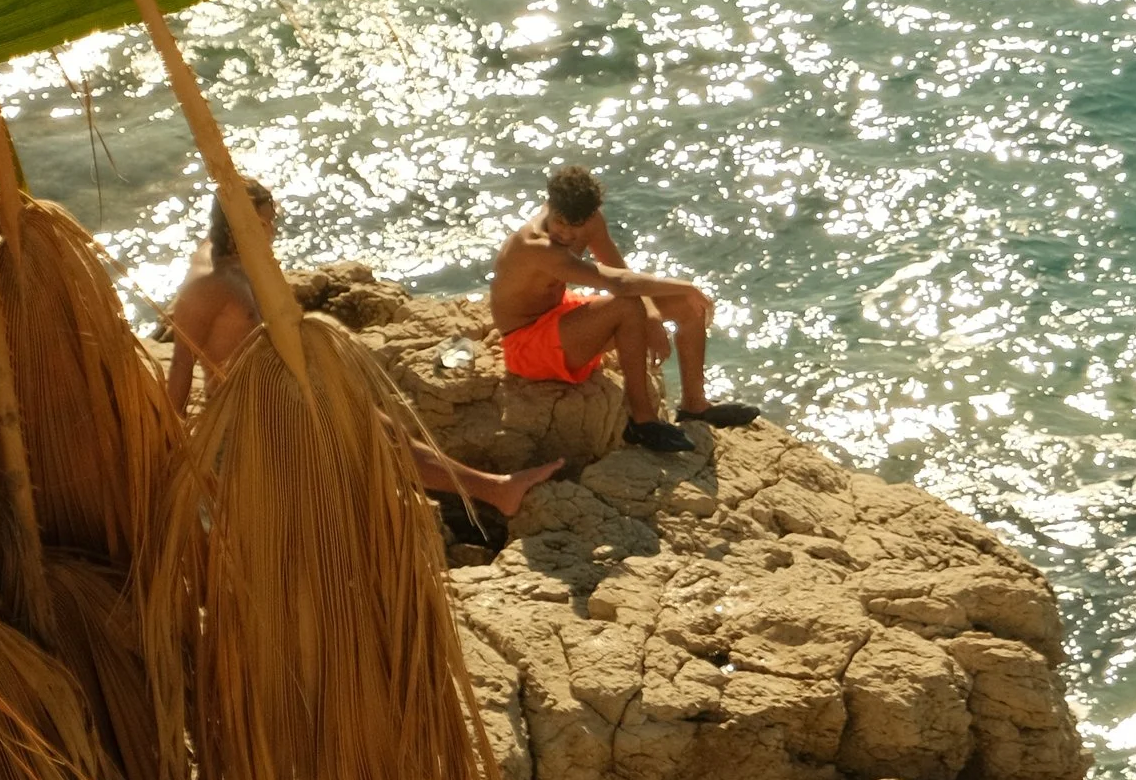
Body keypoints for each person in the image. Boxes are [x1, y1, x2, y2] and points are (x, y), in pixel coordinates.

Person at [166, 180, 568, 529]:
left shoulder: (243, 260)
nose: (272, 231)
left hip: (294, 382)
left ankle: (497, 490)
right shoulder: (208, 283)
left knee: (392, 435)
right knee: (383, 446)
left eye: (272, 221)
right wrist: (171, 448)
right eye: (263, 223)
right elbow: (182, 366)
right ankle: (497, 491)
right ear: (236, 226)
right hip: (255, 407)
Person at [488, 163, 757, 447]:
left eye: (575, 226)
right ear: (550, 206)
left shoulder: (590, 221)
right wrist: (687, 286)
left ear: (590, 216)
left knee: (687, 307)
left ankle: (695, 404)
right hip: (527, 345)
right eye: (560, 222)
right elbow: (619, 284)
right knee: (628, 307)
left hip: (560, 317)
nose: (565, 234)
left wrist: (653, 314)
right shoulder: (535, 245)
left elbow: (617, 267)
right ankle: (642, 422)